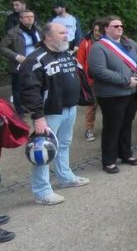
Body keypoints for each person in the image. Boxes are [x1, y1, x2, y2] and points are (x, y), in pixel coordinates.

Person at [20, 23, 91, 205]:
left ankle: (65, 177)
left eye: (66, 33)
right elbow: (30, 90)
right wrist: (38, 116)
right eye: (61, 33)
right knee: (43, 150)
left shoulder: (66, 54)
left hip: (69, 108)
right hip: (48, 112)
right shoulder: (36, 59)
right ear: (47, 36)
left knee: (64, 144)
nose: (66, 36)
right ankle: (42, 191)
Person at [87, 16, 137, 174]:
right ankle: (109, 160)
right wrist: (126, 80)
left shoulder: (130, 43)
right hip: (111, 95)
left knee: (127, 124)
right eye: (115, 26)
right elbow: (99, 71)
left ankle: (126, 154)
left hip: (132, 91)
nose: (120, 28)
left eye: (121, 25)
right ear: (106, 28)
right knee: (112, 127)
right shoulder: (99, 47)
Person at [1, 9, 42, 116]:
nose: (30, 18)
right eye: (27, 17)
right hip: (20, 65)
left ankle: (35, 110)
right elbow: (2, 47)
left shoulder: (38, 30)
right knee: (18, 89)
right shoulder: (13, 32)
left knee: (36, 86)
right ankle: (19, 113)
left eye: (31, 17)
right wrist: (16, 56)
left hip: (36, 64)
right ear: (20, 19)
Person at [76, 18, 105, 142]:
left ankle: (108, 128)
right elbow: (80, 62)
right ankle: (89, 129)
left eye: (100, 30)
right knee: (91, 106)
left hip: (105, 80)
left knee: (106, 105)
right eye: (96, 30)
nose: (98, 33)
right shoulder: (86, 43)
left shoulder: (108, 42)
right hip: (91, 80)